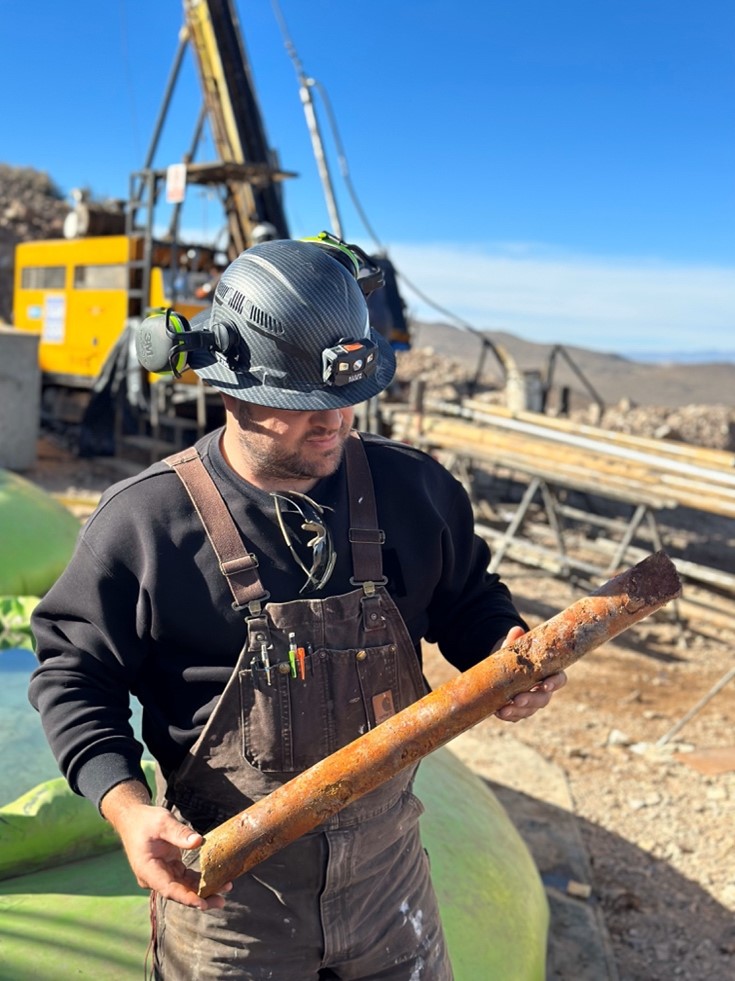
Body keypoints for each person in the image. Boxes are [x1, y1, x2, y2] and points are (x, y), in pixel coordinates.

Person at [29, 236, 566, 980]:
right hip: (229, 903)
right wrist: (123, 804)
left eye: (348, 397)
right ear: (228, 386)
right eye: (303, 404)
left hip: (388, 887)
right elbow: (72, 674)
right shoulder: (146, 524)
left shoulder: (414, 492)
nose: (337, 421)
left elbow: (468, 598)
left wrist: (504, 650)